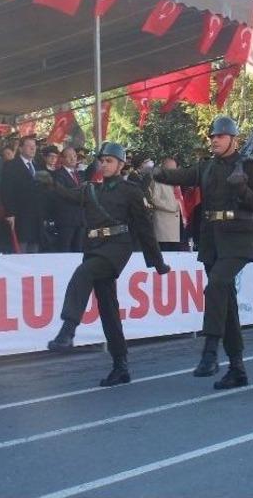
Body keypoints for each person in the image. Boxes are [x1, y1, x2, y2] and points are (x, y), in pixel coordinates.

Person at [151, 116, 253, 390]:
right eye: (212, 136)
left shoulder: (250, 165)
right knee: (225, 304)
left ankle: (210, 350)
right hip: (212, 239)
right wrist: (155, 173)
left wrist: (241, 187)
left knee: (216, 286)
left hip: (238, 239)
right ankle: (237, 368)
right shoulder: (207, 166)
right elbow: (181, 176)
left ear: (233, 139)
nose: (214, 139)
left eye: (220, 135)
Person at [43, 142, 170, 387]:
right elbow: (68, 195)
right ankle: (120, 365)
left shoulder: (131, 191)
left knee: (83, 274)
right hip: (94, 248)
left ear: (121, 165)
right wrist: (50, 184)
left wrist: (157, 262)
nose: (104, 165)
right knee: (108, 309)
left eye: (109, 161)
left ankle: (68, 330)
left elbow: (144, 228)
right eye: (102, 161)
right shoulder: (91, 189)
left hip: (116, 249)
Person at [1, 135, 44, 252]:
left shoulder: (38, 166)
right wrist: (10, 213)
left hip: (36, 217)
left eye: (34, 146)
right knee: (21, 249)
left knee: (34, 250)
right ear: (20, 148)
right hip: (20, 216)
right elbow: (6, 191)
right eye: (29, 146)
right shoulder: (11, 165)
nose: (32, 149)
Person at [47, 146, 86, 252]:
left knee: (78, 251)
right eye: (69, 157)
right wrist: (79, 195)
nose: (73, 159)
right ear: (63, 159)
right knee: (65, 250)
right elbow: (64, 194)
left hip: (80, 220)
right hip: (66, 220)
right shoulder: (58, 175)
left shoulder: (79, 174)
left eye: (74, 156)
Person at [149, 157, 184, 251]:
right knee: (166, 252)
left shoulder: (177, 180)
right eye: (171, 168)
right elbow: (155, 199)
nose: (174, 171)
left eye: (175, 168)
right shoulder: (158, 181)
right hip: (164, 227)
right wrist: (174, 206)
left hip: (178, 225)